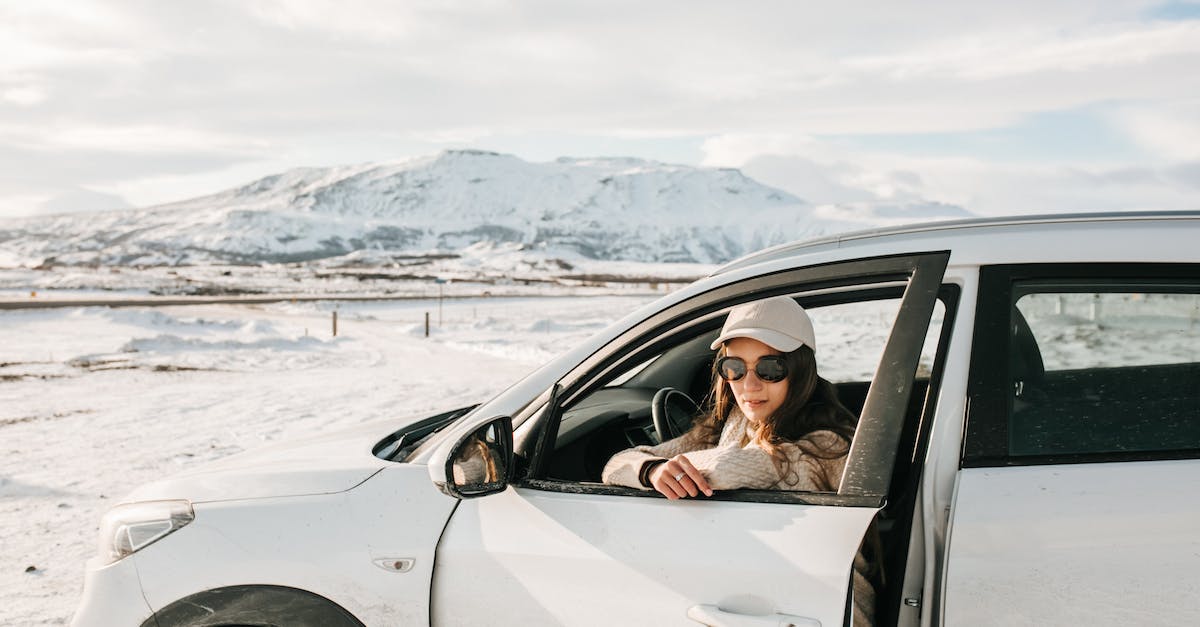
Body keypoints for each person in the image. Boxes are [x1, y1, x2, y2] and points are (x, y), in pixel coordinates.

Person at [601, 295, 876, 626]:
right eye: (734, 367)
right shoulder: (733, 423)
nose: (749, 385)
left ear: (801, 371)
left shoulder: (827, 443)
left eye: (770, 368)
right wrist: (652, 469)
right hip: (763, 602)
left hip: (832, 610)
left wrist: (671, 468)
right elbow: (616, 465)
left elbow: (727, 468)